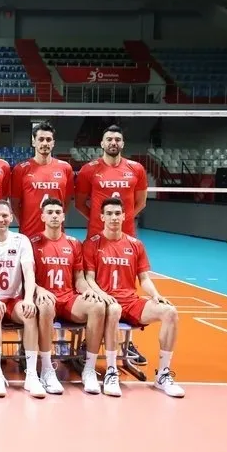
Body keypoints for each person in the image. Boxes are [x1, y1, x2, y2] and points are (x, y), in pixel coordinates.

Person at [83, 197, 185, 398]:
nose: (113, 218)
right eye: (109, 214)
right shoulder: (92, 244)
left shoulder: (135, 245)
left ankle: (163, 374)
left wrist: (156, 295)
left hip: (131, 302)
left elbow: (144, 278)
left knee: (170, 312)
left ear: (124, 216)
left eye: (117, 213)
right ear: (102, 217)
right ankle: (111, 371)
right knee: (114, 309)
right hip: (106, 302)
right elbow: (89, 278)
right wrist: (102, 295)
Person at [30, 197, 122, 395]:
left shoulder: (73, 243)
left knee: (97, 306)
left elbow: (79, 278)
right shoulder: (33, 242)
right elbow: (26, 277)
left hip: (68, 298)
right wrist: (38, 289)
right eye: (50, 212)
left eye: (58, 212)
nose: (54, 216)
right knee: (45, 306)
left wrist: (88, 290)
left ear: (63, 216)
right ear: (42, 217)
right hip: (45, 298)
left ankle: (89, 368)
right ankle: (47, 368)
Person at [75, 124, 148, 365]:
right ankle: (89, 339)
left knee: (127, 289)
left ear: (122, 143)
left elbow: (140, 202)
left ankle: (127, 342)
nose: (113, 142)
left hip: (126, 239)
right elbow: (80, 203)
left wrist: (121, 223)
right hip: (96, 239)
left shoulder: (136, 169)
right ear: (102, 143)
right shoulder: (89, 170)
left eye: (117, 139)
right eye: (109, 139)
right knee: (94, 288)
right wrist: (101, 222)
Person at [0, 199, 46, 398]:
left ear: (11, 218)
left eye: (5, 216)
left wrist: (28, 299)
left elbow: (28, 272)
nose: (1, 219)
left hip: (13, 299)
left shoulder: (21, 240)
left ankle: (31, 375)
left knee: (30, 314)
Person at [10, 121, 74, 239]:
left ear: (53, 143)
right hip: (29, 234)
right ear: (34, 142)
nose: (45, 143)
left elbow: (66, 201)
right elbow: (14, 203)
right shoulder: (20, 169)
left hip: (55, 234)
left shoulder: (65, 168)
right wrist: (26, 224)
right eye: (41, 139)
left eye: (48, 140)